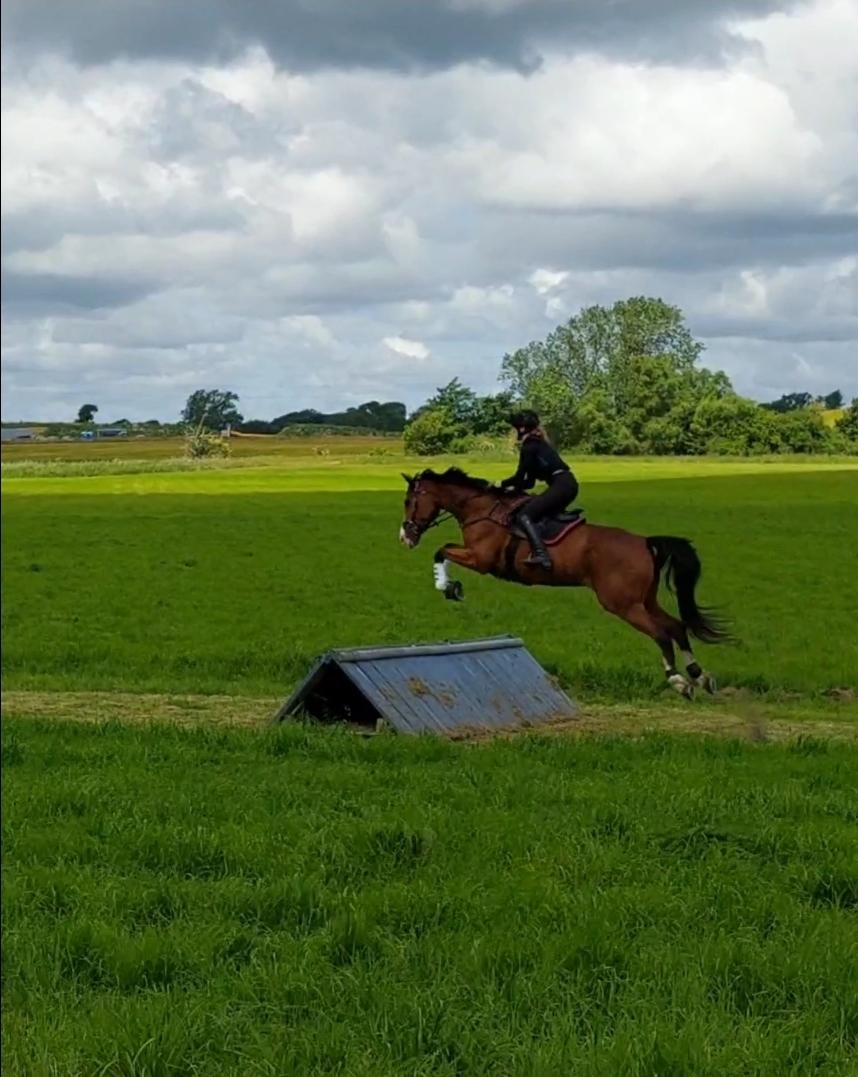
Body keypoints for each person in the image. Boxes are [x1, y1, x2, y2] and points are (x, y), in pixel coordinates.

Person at [500, 410, 579, 571]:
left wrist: (499, 484)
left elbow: (519, 477)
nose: (516, 433)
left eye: (516, 429)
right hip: (567, 484)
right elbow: (528, 482)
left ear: (522, 429)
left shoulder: (529, 447)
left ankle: (541, 555)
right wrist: (513, 489)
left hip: (561, 486)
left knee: (524, 516)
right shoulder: (539, 444)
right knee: (536, 509)